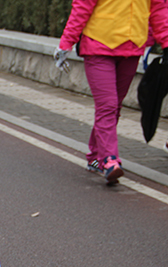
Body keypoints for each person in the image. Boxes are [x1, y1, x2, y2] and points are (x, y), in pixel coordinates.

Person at [55, 0, 168, 186]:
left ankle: (94, 157)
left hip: (132, 49)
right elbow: (82, 6)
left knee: (113, 106)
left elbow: (159, 8)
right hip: (98, 45)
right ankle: (109, 160)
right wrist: (66, 43)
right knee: (107, 105)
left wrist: (166, 42)